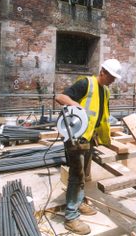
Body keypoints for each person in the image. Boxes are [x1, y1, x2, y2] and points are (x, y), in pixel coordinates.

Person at [55, 59, 122, 235]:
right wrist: (74, 105)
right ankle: (71, 217)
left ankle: (80, 202)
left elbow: (102, 116)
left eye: (115, 78)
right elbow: (60, 97)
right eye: (111, 76)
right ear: (103, 72)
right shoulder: (86, 83)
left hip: (90, 139)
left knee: (85, 175)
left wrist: (104, 139)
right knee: (76, 177)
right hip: (76, 138)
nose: (113, 80)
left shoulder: (106, 91)